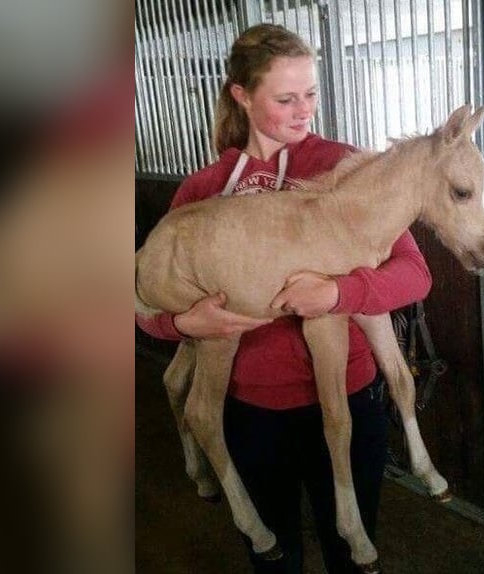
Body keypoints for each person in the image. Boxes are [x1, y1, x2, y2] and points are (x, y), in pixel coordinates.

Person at [136, 23, 432, 573]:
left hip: (351, 395)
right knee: (276, 561)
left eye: (312, 94)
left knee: (354, 553)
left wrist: (339, 291)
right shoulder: (204, 191)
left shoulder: (351, 167)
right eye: (286, 99)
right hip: (254, 411)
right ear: (243, 97)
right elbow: (147, 312)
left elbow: (414, 275)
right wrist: (184, 325)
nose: (305, 112)